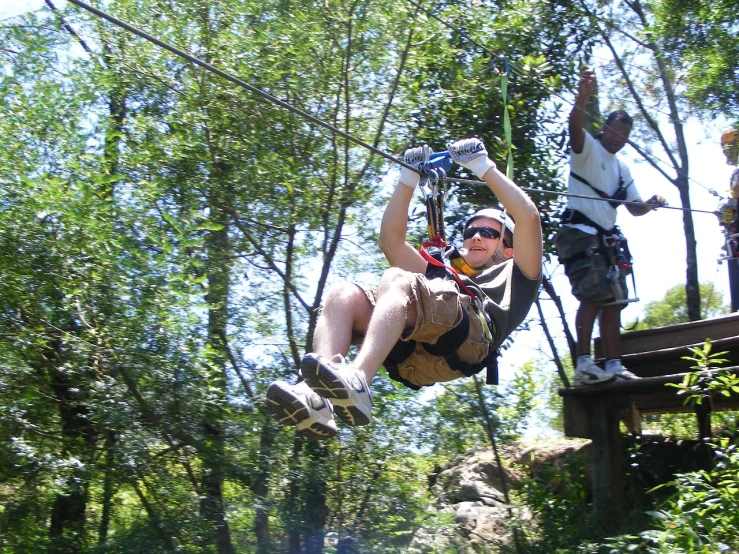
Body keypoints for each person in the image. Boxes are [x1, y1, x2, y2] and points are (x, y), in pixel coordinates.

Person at [266, 137, 543, 439]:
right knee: (342, 294)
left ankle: (358, 378)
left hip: (470, 338)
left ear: (510, 248)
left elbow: (529, 219)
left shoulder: (518, 276)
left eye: (489, 233)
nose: (476, 237)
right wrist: (407, 179)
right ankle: (315, 397)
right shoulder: (442, 274)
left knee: (395, 279)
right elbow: (391, 243)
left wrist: (482, 166)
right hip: (413, 357)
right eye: (471, 231)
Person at [554, 67, 667, 387]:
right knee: (591, 297)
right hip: (579, 236)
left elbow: (634, 208)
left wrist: (651, 203)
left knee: (615, 301)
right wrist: (582, 97)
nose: (618, 140)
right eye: (615, 133)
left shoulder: (622, 169)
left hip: (606, 241)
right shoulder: (587, 149)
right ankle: (584, 365)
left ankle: (614, 365)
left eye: (624, 137)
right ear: (605, 128)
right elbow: (574, 129)